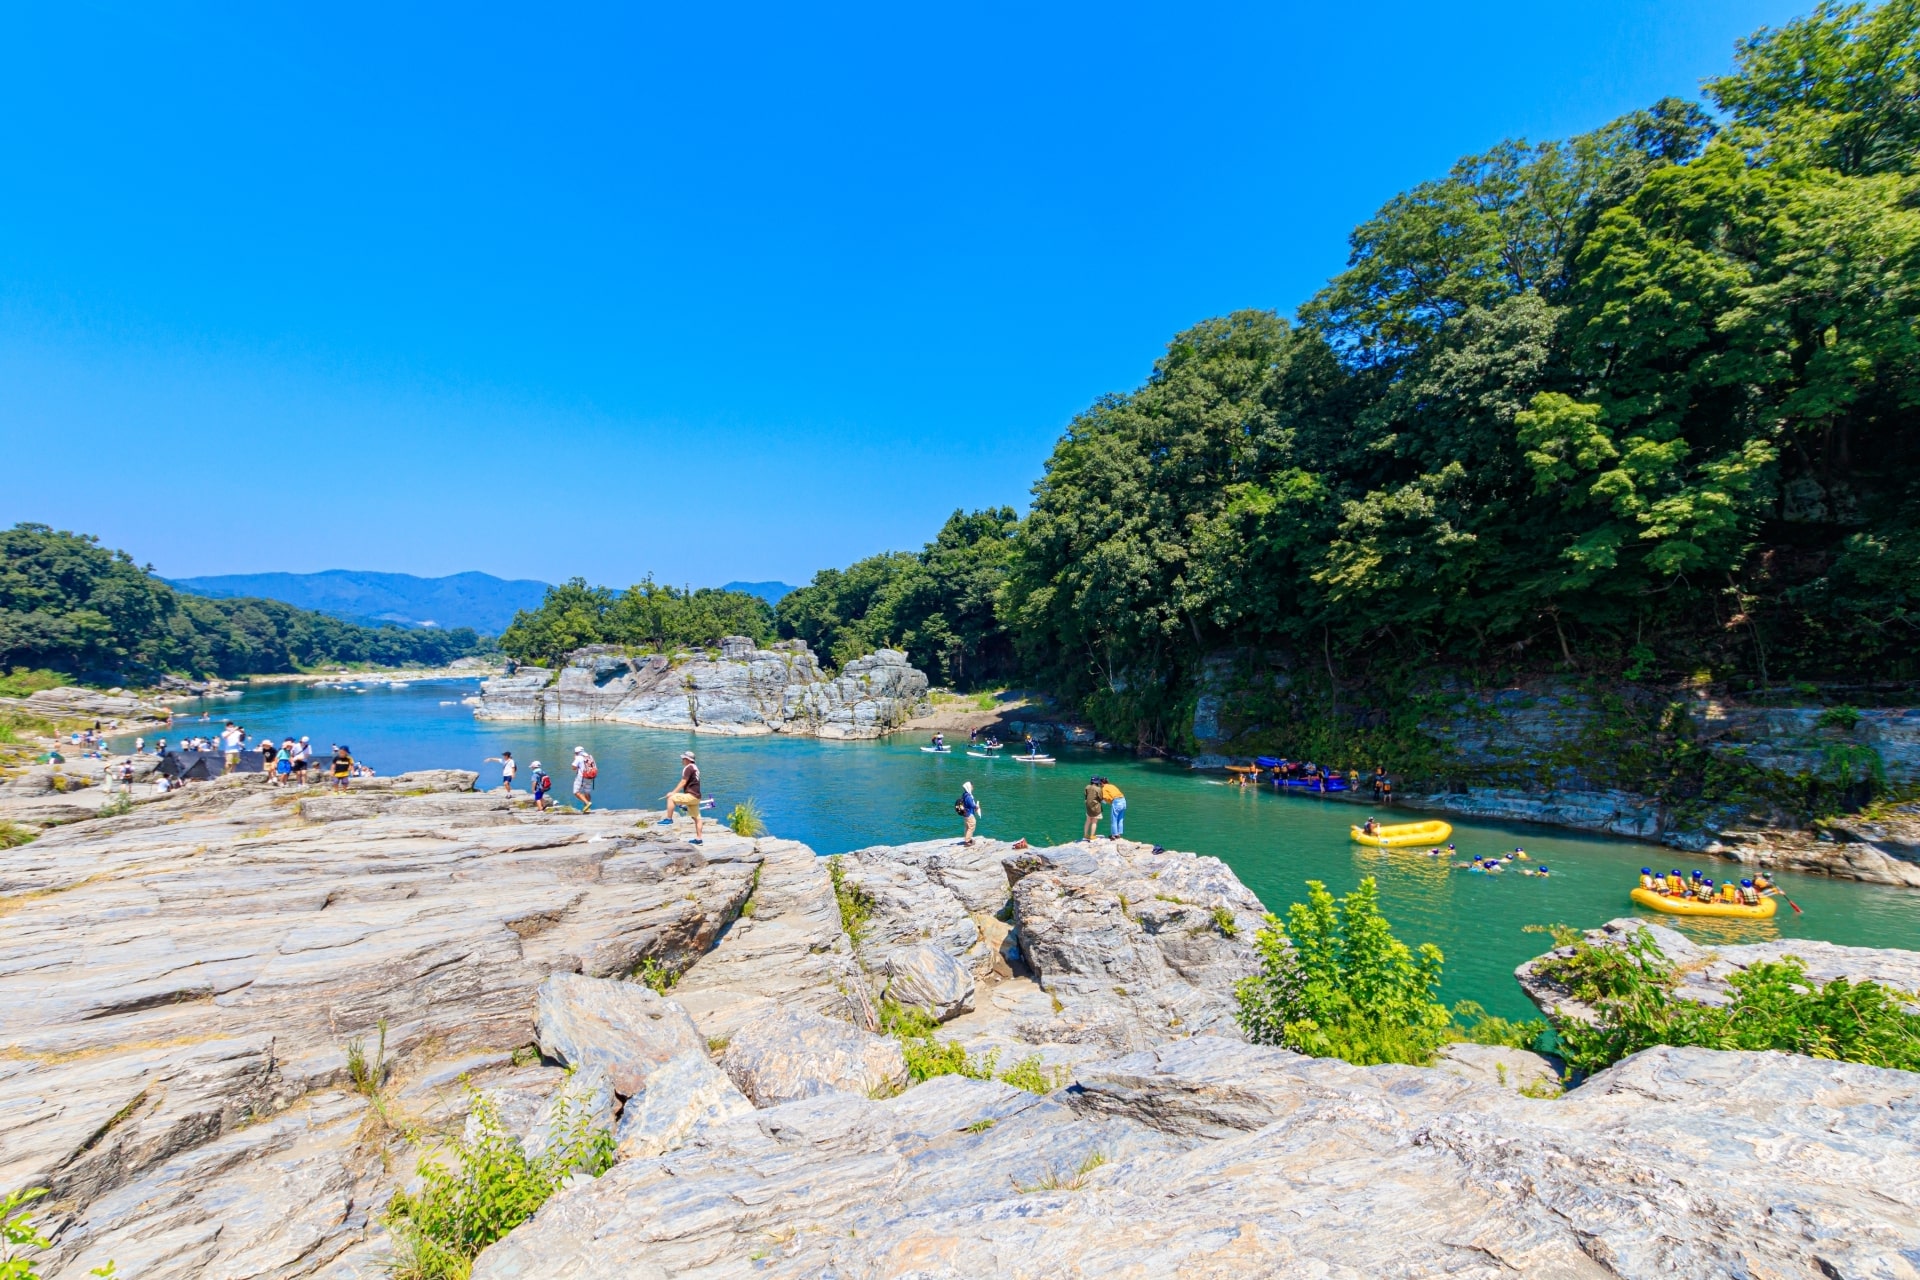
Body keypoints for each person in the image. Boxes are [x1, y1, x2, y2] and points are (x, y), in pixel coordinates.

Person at [661, 751, 704, 842]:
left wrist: (673, 792)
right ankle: (699, 838)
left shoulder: (688, 768)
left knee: (671, 798)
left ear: (687, 759)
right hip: (697, 797)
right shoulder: (695, 767)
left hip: (691, 796)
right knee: (697, 818)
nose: (682, 760)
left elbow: (683, 782)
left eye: (683, 758)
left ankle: (669, 819)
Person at [572, 746, 597, 813]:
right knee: (587, 792)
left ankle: (587, 803)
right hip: (591, 777)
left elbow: (573, 767)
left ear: (577, 752)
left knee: (576, 792)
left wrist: (575, 759)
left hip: (582, 777)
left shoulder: (579, 758)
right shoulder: (590, 756)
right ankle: (587, 808)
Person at [957, 780, 980, 845]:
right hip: (969, 814)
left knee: (967, 827)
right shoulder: (968, 797)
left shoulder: (964, 795)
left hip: (965, 814)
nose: (973, 788)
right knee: (972, 826)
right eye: (972, 787)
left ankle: (967, 839)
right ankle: (967, 841)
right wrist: (976, 806)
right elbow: (971, 805)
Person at [1084, 776, 1103, 841]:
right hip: (1095, 807)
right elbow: (1100, 798)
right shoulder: (1098, 789)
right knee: (1094, 821)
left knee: (1088, 820)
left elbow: (1086, 796)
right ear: (1097, 782)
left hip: (1088, 806)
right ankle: (1092, 836)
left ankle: (1086, 835)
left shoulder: (1087, 787)